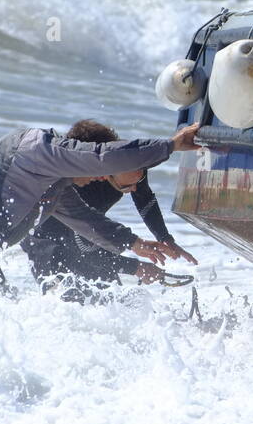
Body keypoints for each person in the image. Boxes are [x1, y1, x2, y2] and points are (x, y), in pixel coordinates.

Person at [0, 119, 200, 299]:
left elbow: (83, 219)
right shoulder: (40, 148)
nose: (99, 178)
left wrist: (135, 243)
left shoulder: (52, 184)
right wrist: (171, 145)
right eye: (97, 171)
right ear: (81, 158)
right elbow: (104, 157)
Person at [20, 120, 198, 301]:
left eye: (141, 175)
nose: (137, 186)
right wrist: (135, 267)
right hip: (47, 244)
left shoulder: (128, 164)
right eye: (131, 182)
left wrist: (164, 237)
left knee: (111, 301)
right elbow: (84, 243)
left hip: (89, 242)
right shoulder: (82, 184)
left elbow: (145, 199)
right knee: (69, 303)